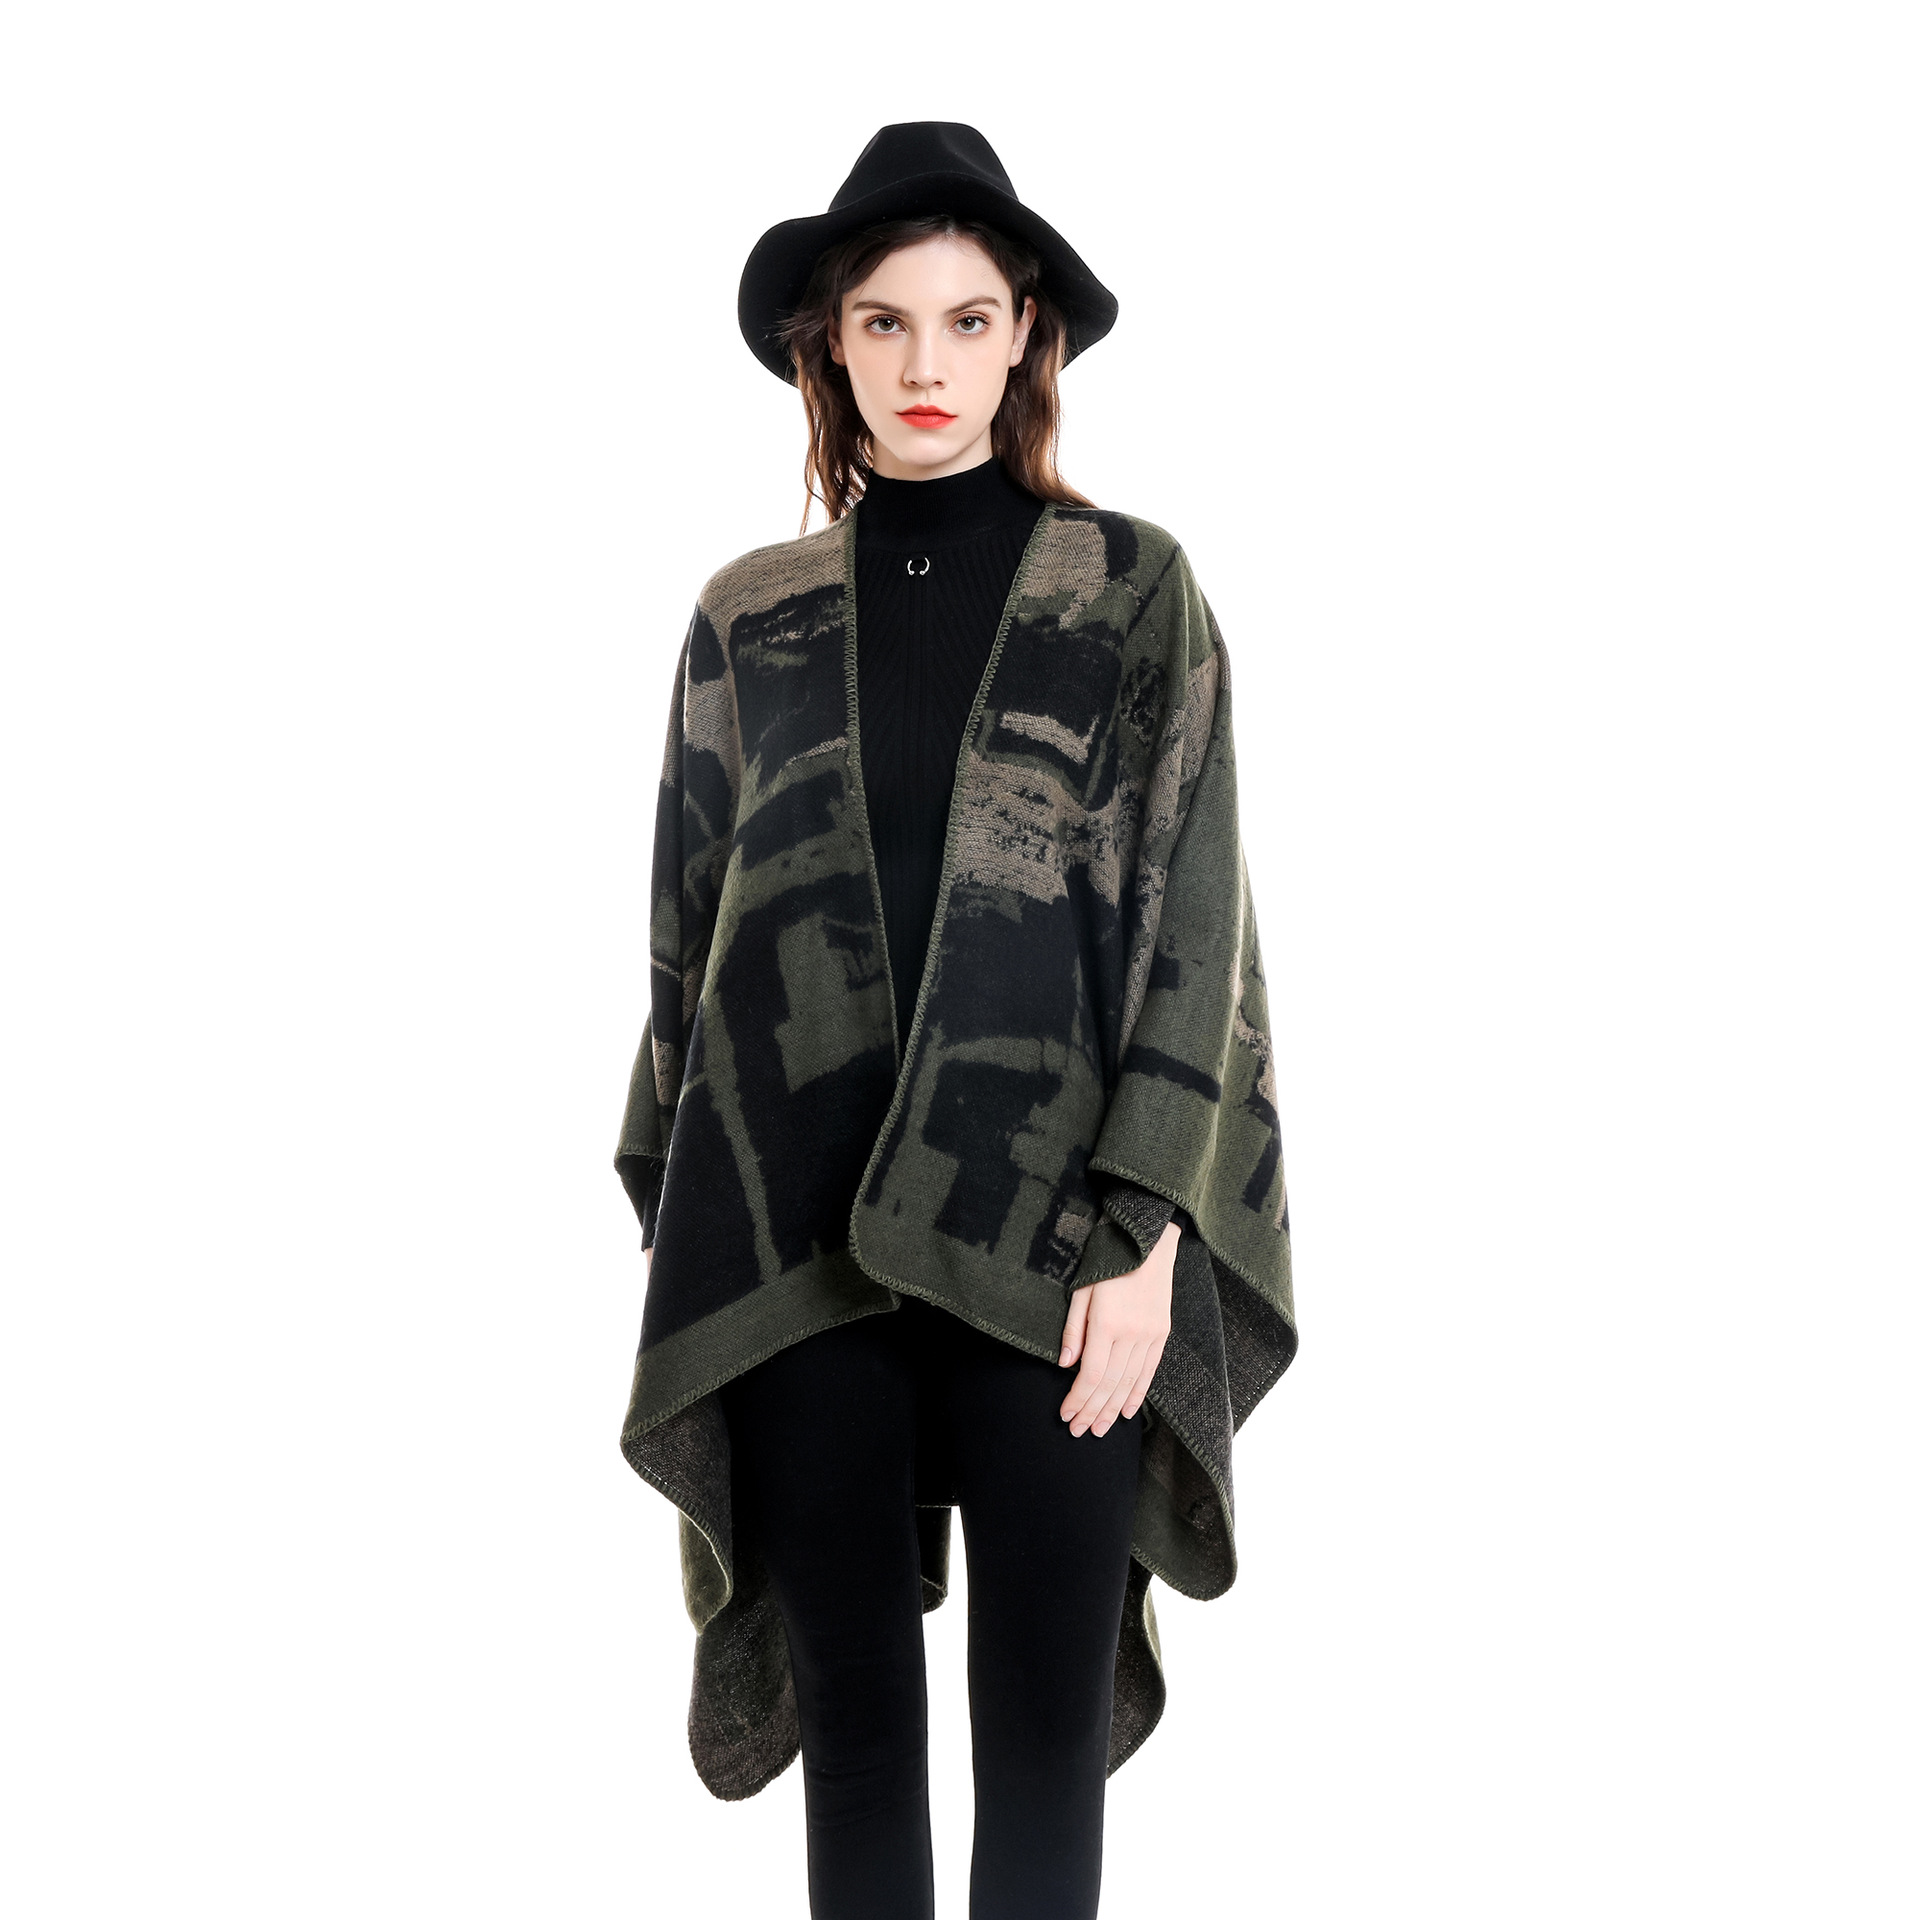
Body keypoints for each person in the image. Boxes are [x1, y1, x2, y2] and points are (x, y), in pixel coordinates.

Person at [615, 123, 1297, 1920]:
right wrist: (687, 1215)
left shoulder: (1131, 591)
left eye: (968, 320)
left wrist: (1148, 1230)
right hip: (796, 1258)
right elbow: (691, 940)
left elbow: (1198, 930)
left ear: (1024, 342)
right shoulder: (746, 620)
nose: (927, 364)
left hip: (1059, 1248)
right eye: (885, 323)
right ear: (829, 350)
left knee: (1041, 1743)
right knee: (860, 1741)